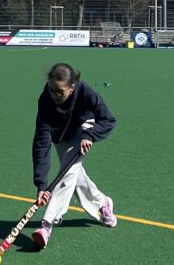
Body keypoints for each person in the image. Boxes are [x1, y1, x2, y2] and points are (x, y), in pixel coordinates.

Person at [31, 62, 117, 249]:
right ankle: (103, 203)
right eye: (51, 89)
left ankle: (47, 224)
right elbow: (41, 142)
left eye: (59, 92)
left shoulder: (85, 91)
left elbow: (108, 120)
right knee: (74, 173)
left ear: (72, 87)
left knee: (68, 169)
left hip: (85, 128)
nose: (54, 95)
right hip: (61, 135)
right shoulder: (45, 100)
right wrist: (41, 184)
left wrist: (90, 136)